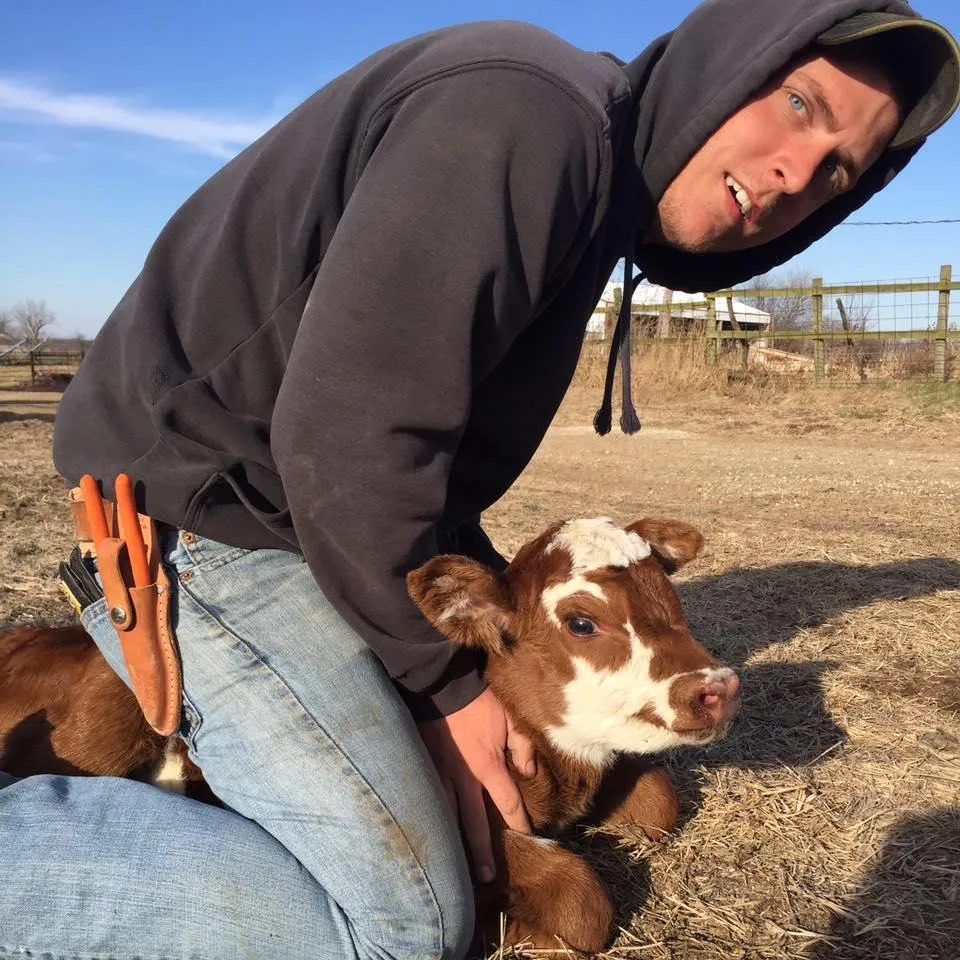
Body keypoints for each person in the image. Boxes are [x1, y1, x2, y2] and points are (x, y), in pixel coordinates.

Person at [2, 0, 957, 956]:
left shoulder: (583, 185)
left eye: (841, 169)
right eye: (799, 104)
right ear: (727, 58)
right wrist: (445, 690)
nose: (801, 174)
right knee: (403, 926)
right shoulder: (532, 114)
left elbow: (407, 471)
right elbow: (348, 439)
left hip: (292, 521)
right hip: (203, 523)